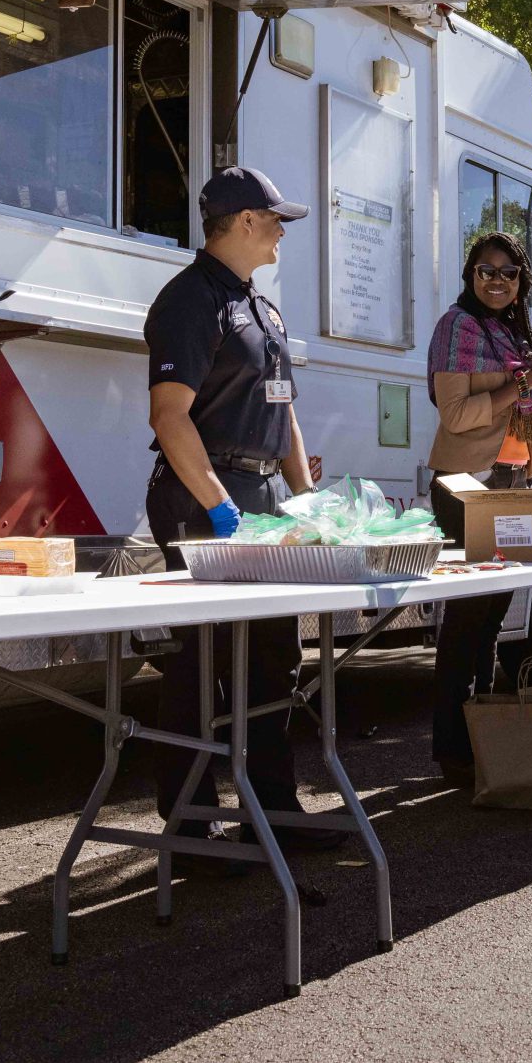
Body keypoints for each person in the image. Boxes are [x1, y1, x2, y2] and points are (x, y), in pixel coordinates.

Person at [141, 166, 341, 862]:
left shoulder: (264, 309)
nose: (284, 230)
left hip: (261, 497)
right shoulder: (189, 300)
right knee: (200, 661)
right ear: (245, 220)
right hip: (203, 494)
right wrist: (222, 510)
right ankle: (190, 826)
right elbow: (170, 418)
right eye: (277, 218)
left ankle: (275, 809)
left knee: (272, 653)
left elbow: (285, 414)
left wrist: (307, 504)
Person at [423, 233, 532, 780]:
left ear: (520, 284)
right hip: (465, 487)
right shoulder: (456, 327)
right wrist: (528, 379)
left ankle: (480, 741)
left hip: (512, 487)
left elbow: (527, 413)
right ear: (470, 275)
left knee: (490, 623)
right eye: (486, 271)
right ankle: (454, 753)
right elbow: (456, 417)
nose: (496, 281)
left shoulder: (515, 334)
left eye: (509, 274)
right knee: (464, 623)